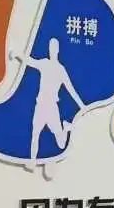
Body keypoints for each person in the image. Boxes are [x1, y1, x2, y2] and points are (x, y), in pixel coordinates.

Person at [14, 37, 85, 173]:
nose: (51, 50)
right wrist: (18, 55)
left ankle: (66, 128)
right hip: (41, 105)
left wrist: (82, 106)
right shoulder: (44, 63)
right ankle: (32, 161)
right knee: (35, 133)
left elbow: (71, 89)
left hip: (52, 107)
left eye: (54, 47)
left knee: (61, 144)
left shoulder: (60, 70)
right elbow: (30, 61)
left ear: (57, 50)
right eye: (50, 47)